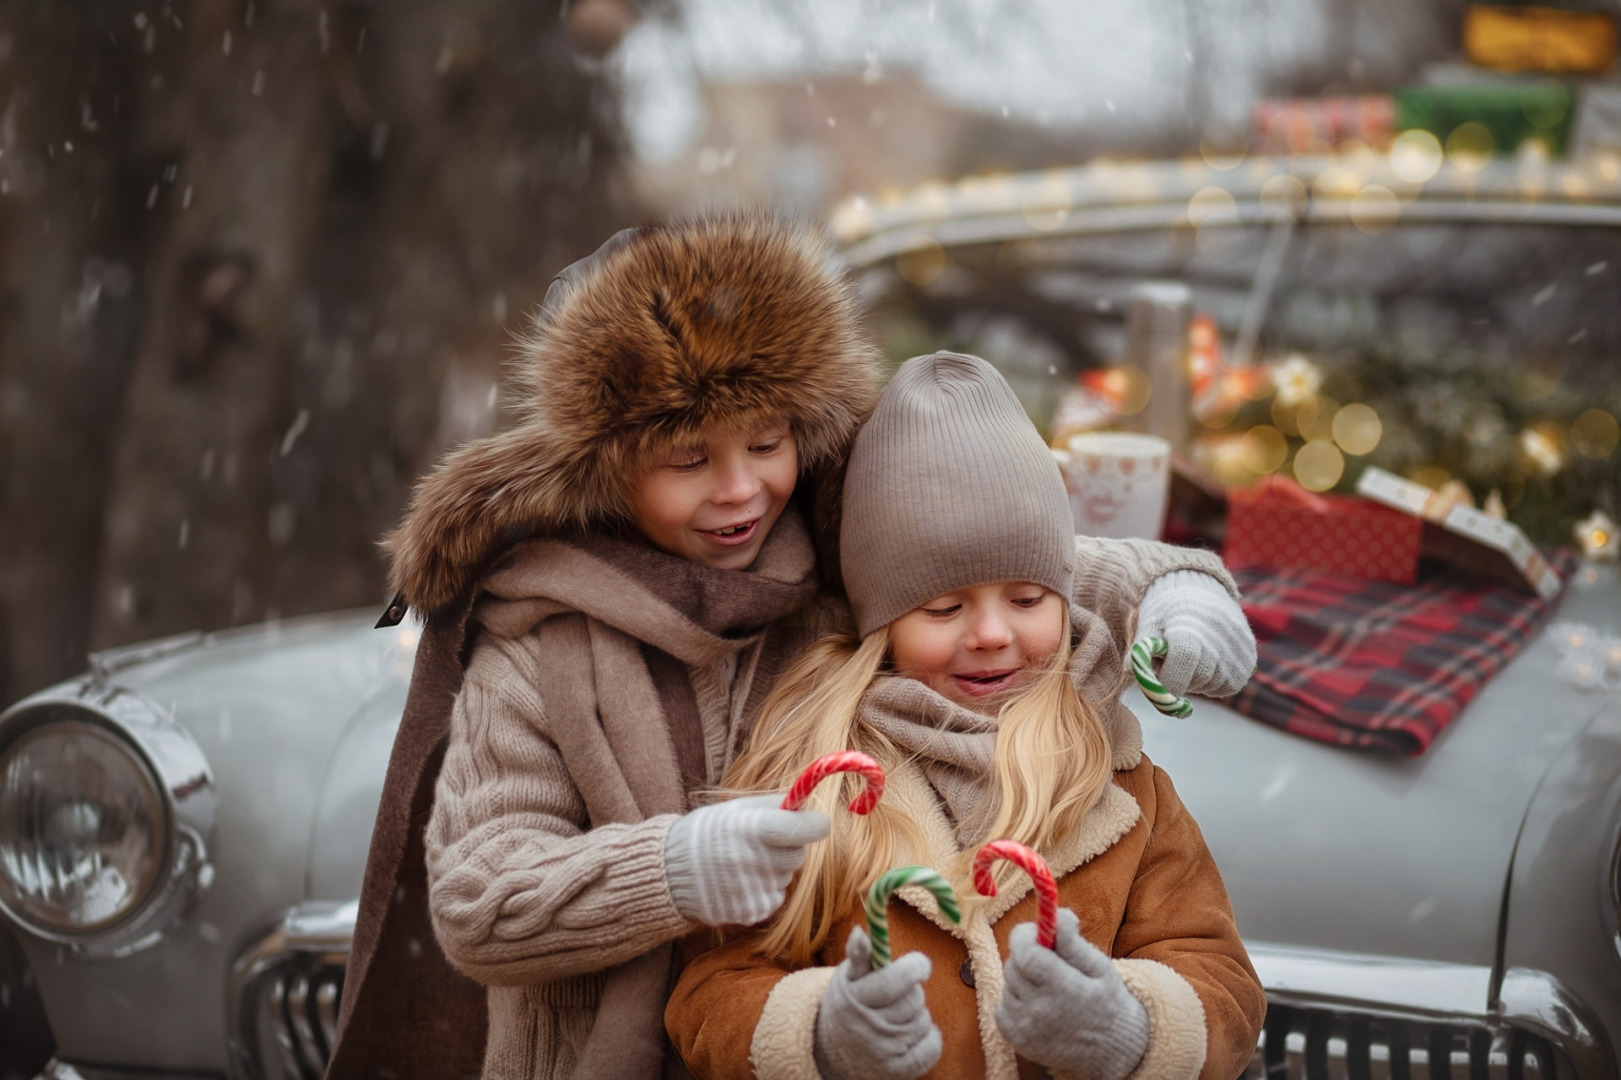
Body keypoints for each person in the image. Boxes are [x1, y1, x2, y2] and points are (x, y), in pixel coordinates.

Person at [325, 214, 1255, 1080]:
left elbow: (1004, 563)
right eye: (688, 459)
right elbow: (481, 906)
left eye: (765, 442)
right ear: (605, 465)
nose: (740, 492)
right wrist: (676, 869)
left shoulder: (827, 547)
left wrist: (1174, 586)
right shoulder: (536, 647)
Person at [666, 351, 1266, 1080]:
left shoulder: (1122, 788)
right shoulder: (805, 783)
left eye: (1026, 599)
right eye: (943, 607)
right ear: (878, 626)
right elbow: (708, 991)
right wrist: (822, 1034)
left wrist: (1127, 1027)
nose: (989, 634)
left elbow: (1222, 981)